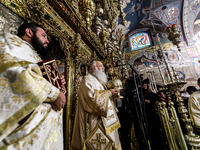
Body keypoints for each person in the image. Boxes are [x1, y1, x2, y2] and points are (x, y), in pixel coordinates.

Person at [0, 22, 66, 149]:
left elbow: (37, 78)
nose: (47, 40)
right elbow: (18, 75)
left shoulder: (33, 54)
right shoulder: (9, 44)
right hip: (24, 131)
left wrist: (58, 84)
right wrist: (55, 93)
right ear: (29, 32)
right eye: (44, 36)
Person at [71, 61, 122, 150]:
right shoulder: (86, 80)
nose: (103, 68)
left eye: (103, 66)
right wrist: (109, 93)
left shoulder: (99, 82)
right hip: (93, 120)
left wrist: (112, 95)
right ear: (93, 68)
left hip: (104, 120)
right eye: (101, 66)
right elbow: (90, 98)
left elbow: (105, 97)